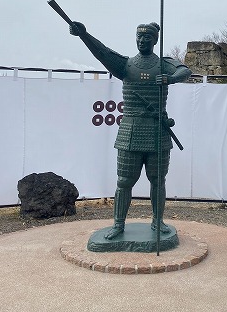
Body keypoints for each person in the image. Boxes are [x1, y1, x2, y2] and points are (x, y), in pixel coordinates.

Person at [69, 21, 191, 239]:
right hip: (130, 130)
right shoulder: (126, 65)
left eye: (147, 37)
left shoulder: (164, 64)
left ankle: (157, 221)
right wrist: (84, 35)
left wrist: (170, 78)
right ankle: (118, 224)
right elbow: (102, 52)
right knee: (124, 181)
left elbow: (185, 70)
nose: (142, 41)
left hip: (157, 131)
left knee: (158, 180)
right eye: (139, 37)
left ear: (155, 40)